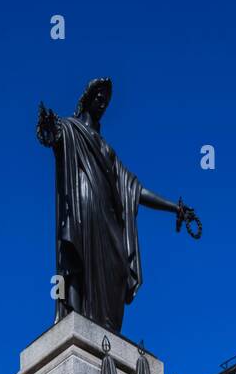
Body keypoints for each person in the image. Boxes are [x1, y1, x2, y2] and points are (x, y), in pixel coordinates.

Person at [37, 77, 198, 333]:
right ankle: (76, 318)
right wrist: (47, 128)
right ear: (87, 98)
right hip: (84, 203)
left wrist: (174, 208)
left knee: (118, 269)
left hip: (109, 216)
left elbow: (135, 189)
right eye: (99, 95)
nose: (103, 100)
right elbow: (53, 137)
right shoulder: (71, 128)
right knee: (79, 254)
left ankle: (105, 329)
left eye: (107, 99)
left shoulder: (107, 149)